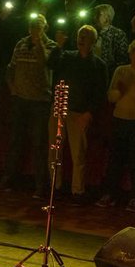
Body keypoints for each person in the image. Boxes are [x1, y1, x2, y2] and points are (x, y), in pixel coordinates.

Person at [0, 14, 57, 198]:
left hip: (40, 101)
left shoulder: (51, 45)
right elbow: (10, 68)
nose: (34, 28)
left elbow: (45, 62)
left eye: (38, 25)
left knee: (39, 144)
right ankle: (8, 180)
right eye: (32, 25)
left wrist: (38, 42)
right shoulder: (20, 44)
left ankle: (40, 186)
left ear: (45, 28)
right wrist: (12, 88)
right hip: (20, 99)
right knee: (15, 141)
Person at [48, 24, 109, 204]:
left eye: (85, 36)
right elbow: (50, 64)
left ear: (93, 41)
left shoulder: (98, 65)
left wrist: (89, 113)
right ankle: (55, 187)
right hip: (60, 109)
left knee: (78, 154)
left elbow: (100, 92)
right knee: (55, 150)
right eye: (80, 35)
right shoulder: (67, 56)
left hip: (80, 113)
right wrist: (58, 46)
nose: (81, 39)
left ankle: (77, 191)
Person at [98, 39, 135, 211]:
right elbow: (111, 97)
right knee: (115, 160)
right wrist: (121, 91)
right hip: (121, 119)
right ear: (130, 54)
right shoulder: (121, 71)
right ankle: (110, 194)